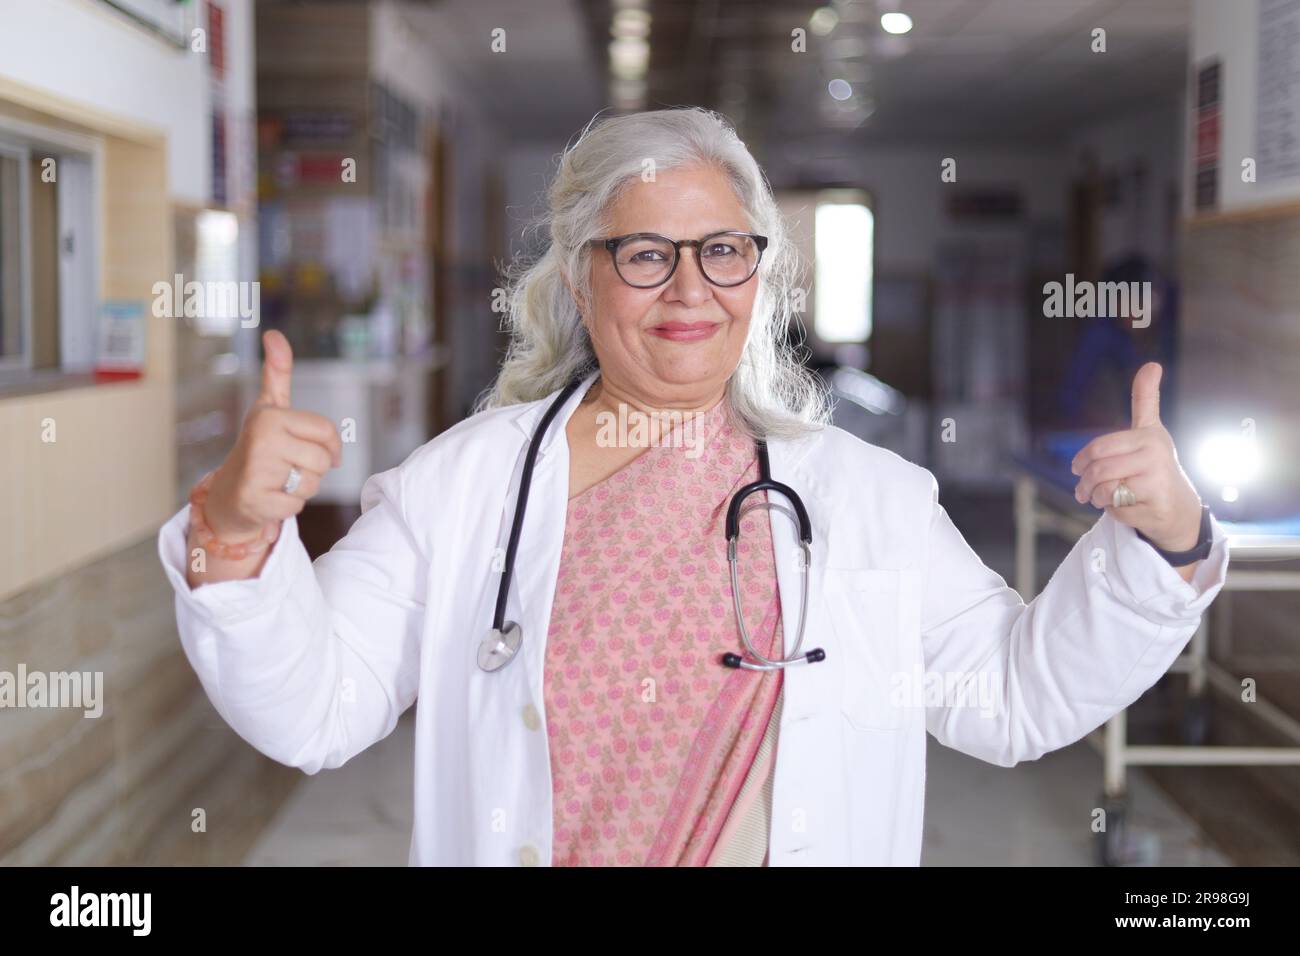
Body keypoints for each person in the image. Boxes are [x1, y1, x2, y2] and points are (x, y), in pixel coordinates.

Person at [157, 107, 1228, 867]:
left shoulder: (863, 494)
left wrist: (1164, 543)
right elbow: (316, 709)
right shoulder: (462, 486)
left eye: (722, 250)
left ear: (757, 273)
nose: (689, 290)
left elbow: (1008, 695)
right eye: (643, 254)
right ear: (580, 274)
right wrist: (238, 536)